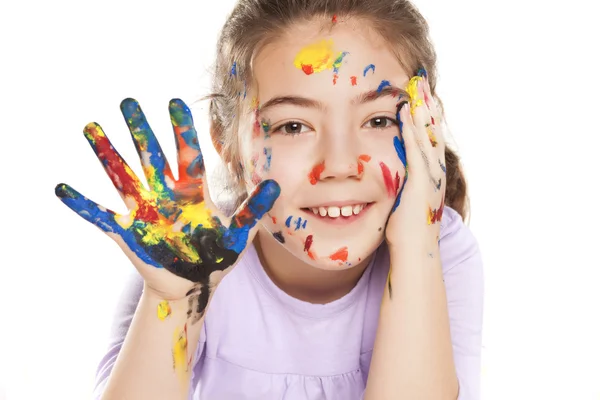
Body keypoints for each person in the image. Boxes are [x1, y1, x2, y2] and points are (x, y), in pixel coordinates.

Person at [55, 0, 484, 398]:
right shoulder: (191, 253)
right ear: (228, 144)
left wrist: (415, 245)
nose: (339, 164)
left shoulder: (438, 251)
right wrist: (172, 303)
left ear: (426, 125)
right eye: (293, 127)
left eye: (378, 119)